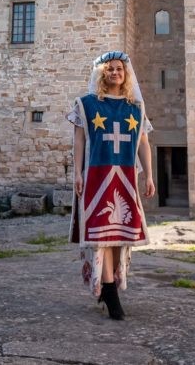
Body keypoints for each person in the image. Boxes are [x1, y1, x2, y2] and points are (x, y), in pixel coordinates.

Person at [67, 50, 155, 320]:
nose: (115, 72)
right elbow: (80, 139)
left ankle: (110, 286)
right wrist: (78, 172)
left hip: (125, 175)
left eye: (119, 69)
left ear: (125, 73)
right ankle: (108, 289)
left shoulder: (135, 108)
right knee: (101, 237)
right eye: (110, 69)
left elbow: (143, 143)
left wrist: (149, 175)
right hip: (97, 174)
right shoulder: (87, 104)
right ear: (102, 73)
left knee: (119, 237)